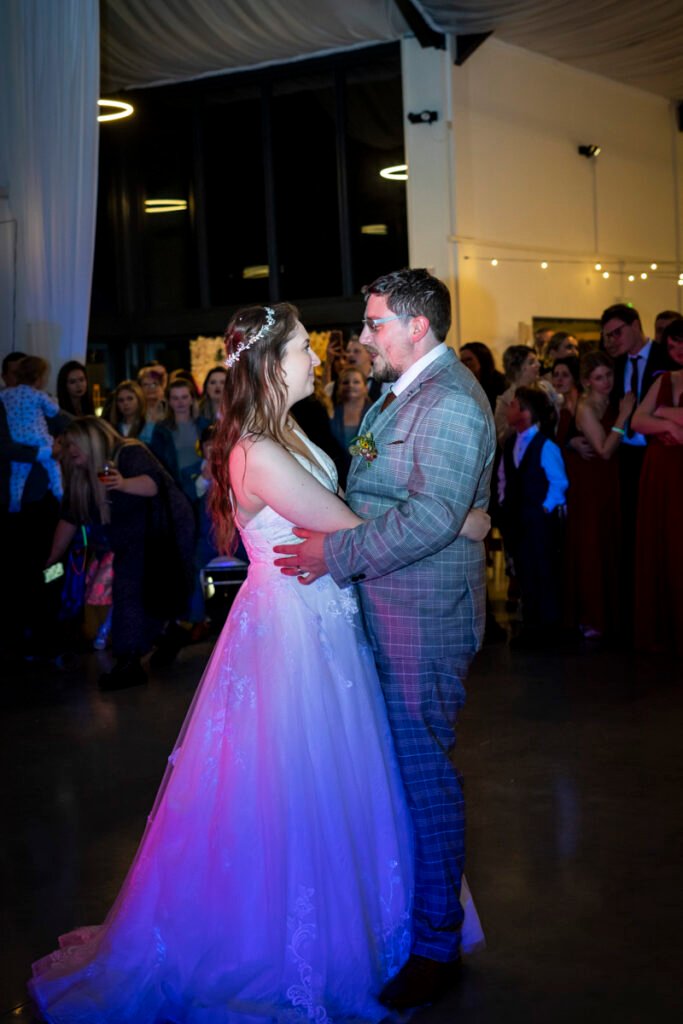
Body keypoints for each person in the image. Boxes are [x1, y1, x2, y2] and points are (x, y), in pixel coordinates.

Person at [29, 301, 485, 1024]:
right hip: (294, 637)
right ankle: (284, 945)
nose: (318, 356)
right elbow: (350, 525)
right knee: (294, 787)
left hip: (323, 624)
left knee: (334, 779)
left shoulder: (282, 434)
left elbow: (340, 510)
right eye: (306, 347)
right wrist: (458, 517)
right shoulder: (260, 451)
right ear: (273, 364)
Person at [273, 270, 495, 1010]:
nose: (361, 339)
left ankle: (436, 942)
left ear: (416, 327)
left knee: (423, 775)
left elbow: (433, 518)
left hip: (422, 619)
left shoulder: (453, 401)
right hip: (386, 603)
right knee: (394, 771)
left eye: (373, 324)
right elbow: (390, 494)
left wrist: (331, 553)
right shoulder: (405, 388)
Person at [44, 417, 194, 689]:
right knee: (139, 590)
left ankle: (130, 660)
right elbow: (69, 517)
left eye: (75, 443)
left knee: (135, 590)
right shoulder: (79, 474)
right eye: (67, 445)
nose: (70, 449)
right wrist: (50, 560)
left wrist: (122, 483)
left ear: (92, 440)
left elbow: (153, 484)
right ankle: (166, 635)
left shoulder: (127, 452)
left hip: (164, 530)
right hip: (133, 535)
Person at [601, 303, 674, 631]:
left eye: (617, 332)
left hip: (662, 453)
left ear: (636, 324)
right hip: (625, 456)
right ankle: (634, 614)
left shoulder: (666, 355)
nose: (613, 340)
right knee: (630, 533)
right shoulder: (613, 365)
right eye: (608, 336)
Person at [563, 353, 634, 639]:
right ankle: (593, 616)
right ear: (586, 381)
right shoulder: (586, 407)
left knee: (610, 541)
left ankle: (611, 615)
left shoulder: (609, 401)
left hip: (608, 481)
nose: (606, 382)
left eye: (609, 375)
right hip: (592, 484)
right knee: (593, 544)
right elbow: (604, 450)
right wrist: (624, 415)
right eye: (599, 377)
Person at [498, 386, 568, 647]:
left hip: (539, 519)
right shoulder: (511, 444)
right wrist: (505, 502)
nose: (508, 409)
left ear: (526, 412)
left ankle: (548, 626)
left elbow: (558, 481)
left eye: (514, 405)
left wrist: (546, 508)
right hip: (517, 519)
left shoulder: (545, 445)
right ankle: (530, 624)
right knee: (524, 570)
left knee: (544, 570)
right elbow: (504, 477)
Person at [631, 319, 683, 653]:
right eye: (673, 345)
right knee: (660, 542)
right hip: (659, 472)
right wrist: (667, 416)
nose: (678, 350)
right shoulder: (664, 378)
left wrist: (661, 413)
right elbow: (636, 420)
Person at [0, 356, 63, 513]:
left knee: (17, 475)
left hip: (17, 441)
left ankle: (14, 504)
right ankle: (60, 493)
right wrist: (53, 401)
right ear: (39, 378)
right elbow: (54, 411)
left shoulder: (6, 394)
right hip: (39, 439)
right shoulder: (39, 395)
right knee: (53, 467)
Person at [105, 379, 178, 478]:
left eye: (130, 399)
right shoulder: (112, 430)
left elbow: (168, 466)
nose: (125, 403)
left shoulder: (156, 431)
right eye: (121, 400)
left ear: (139, 399)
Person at [329, 366, 371, 448]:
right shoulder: (330, 412)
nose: (350, 385)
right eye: (345, 382)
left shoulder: (375, 413)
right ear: (338, 388)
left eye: (356, 382)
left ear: (366, 388)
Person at [459, 341, 506, 412]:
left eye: (469, 360)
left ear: (482, 359)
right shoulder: (462, 384)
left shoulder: (499, 383)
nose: (465, 364)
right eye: (462, 361)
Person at [551, 355, 581, 448]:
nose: (559, 379)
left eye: (565, 375)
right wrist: (569, 443)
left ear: (575, 378)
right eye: (556, 375)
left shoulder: (584, 403)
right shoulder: (557, 406)